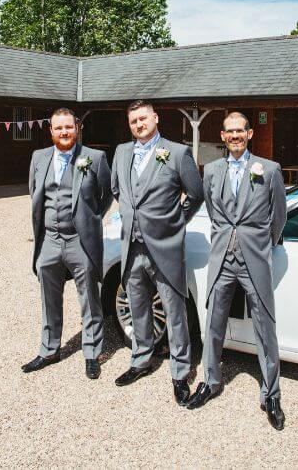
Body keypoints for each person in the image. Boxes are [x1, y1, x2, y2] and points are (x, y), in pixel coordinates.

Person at [185, 111, 287, 430]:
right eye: (229, 132)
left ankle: (271, 393)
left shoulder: (269, 169)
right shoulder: (212, 170)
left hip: (254, 257)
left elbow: (278, 216)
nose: (234, 136)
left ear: (250, 134)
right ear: (223, 135)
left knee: (265, 325)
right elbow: (216, 213)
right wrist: (226, 238)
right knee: (213, 323)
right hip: (222, 259)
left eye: (239, 131)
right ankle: (210, 381)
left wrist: (260, 243)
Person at [110, 100, 204, 405]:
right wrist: (130, 214)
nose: (139, 124)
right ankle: (141, 359)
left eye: (143, 118)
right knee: (138, 306)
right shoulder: (122, 152)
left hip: (165, 246)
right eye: (134, 121)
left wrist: (175, 221)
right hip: (131, 246)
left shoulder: (177, 153)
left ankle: (180, 372)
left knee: (175, 311)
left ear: (155, 118)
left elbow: (196, 193)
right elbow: (117, 190)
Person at [22, 108, 112, 379]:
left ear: (77, 129)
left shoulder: (95, 158)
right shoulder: (39, 157)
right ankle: (49, 349)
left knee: (90, 298)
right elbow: (34, 193)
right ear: (51, 131)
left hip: (79, 240)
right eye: (59, 128)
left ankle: (92, 353)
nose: (64, 132)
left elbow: (105, 196)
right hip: (49, 239)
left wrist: (89, 219)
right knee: (48, 298)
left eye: (69, 127)